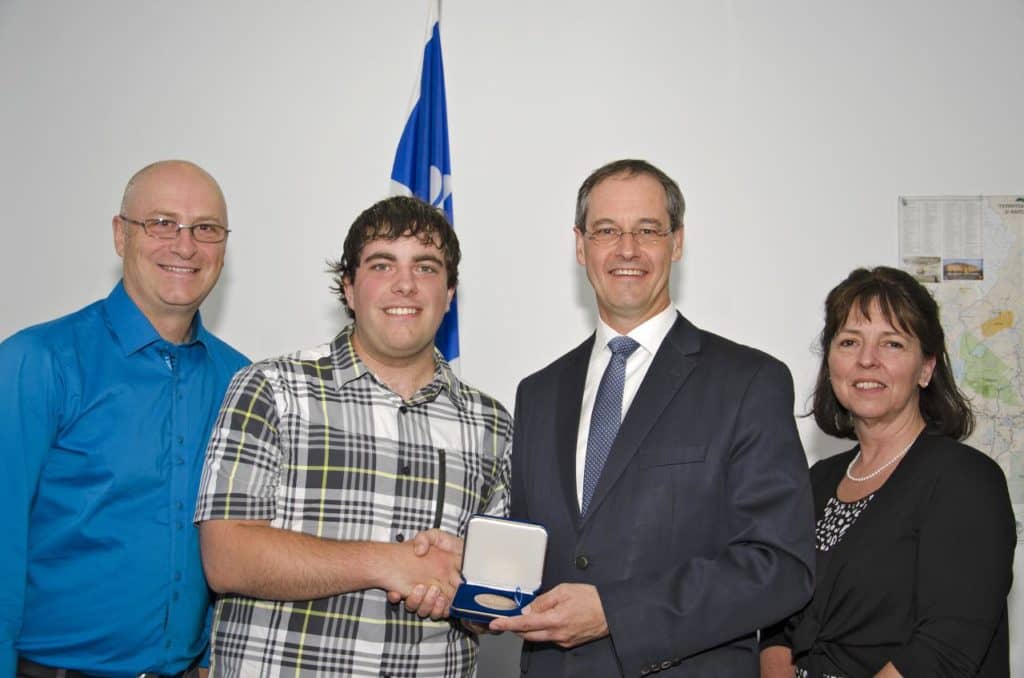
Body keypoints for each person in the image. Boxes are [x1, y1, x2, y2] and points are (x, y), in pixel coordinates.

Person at [490, 159, 816, 676]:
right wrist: (470, 567)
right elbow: (536, 553)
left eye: (647, 230)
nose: (627, 249)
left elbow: (780, 568)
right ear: (580, 246)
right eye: (606, 231)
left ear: (677, 241)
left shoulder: (748, 382)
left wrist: (616, 613)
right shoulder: (538, 393)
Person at [194, 195, 512, 677]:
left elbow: (494, 612)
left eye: (425, 268)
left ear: (449, 294)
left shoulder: (493, 425)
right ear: (349, 287)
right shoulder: (271, 389)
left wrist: (468, 584)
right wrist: (389, 562)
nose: (405, 284)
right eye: (382, 265)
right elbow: (226, 556)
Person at [0, 160, 249, 677]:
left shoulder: (241, 381)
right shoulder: (37, 361)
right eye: (161, 223)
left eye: (205, 228)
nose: (185, 246)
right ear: (120, 235)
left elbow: (236, 540)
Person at [760, 266, 1016, 678]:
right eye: (849, 342)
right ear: (830, 363)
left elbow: (946, 648)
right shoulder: (816, 481)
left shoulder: (965, 480)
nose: (866, 360)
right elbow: (777, 626)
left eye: (892, 343)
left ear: (926, 368)